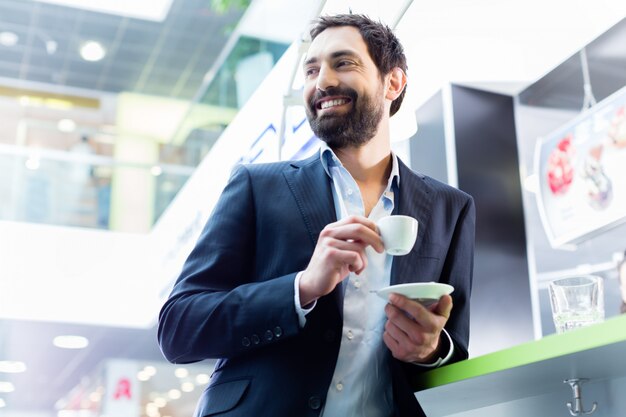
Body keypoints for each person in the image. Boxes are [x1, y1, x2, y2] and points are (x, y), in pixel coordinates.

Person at [158, 14, 475, 417]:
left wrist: (431, 350)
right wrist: (301, 289)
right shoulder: (257, 186)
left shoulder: (452, 208)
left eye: (343, 63)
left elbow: (454, 348)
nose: (321, 81)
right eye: (311, 69)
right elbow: (178, 329)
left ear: (393, 83)